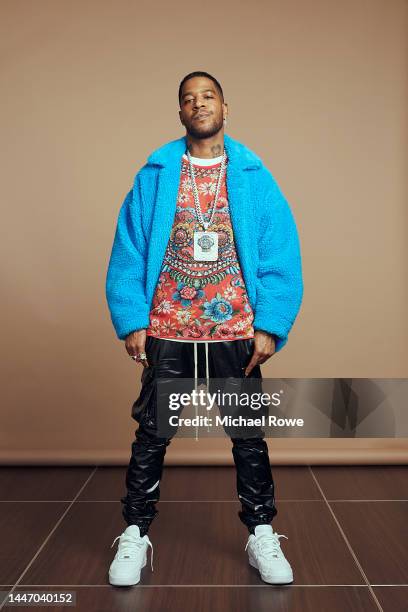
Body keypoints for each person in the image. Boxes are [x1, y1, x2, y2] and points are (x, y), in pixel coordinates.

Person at [105, 71, 303, 587]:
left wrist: (271, 324)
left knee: (248, 436)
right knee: (152, 434)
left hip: (234, 326)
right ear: (180, 114)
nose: (199, 104)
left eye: (208, 96)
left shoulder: (254, 176)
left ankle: (261, 532)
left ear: (225, 107)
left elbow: (281, 252)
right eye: (188, 99)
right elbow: (128, 249)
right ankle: (134, 532)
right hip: (168, 325)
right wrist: (132, 319)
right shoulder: (154, 175)